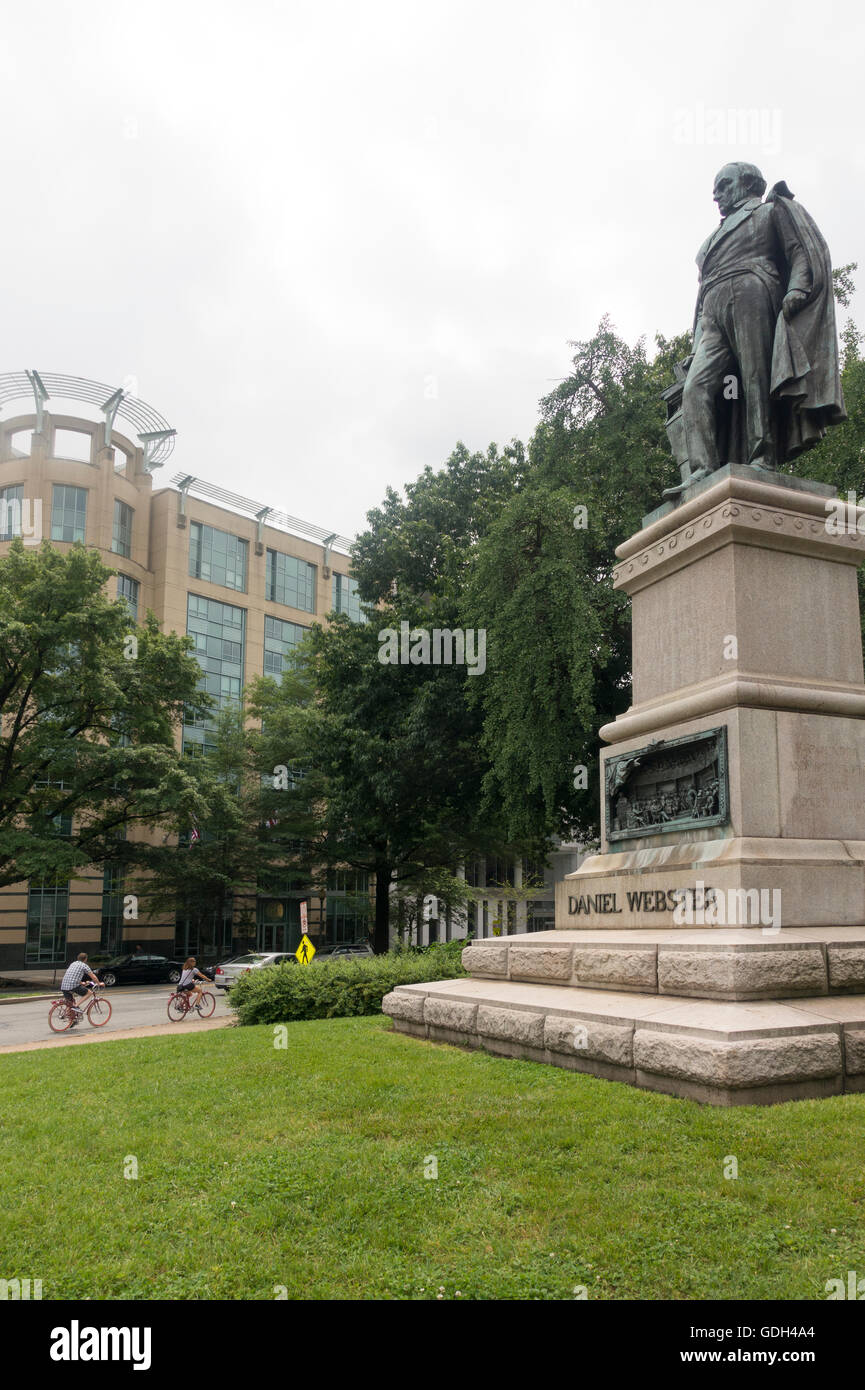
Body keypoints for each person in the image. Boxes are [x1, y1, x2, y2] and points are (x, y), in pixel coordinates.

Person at [60, 953, 101, 1026]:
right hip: (72, 985)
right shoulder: (84, 965)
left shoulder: (73, 963)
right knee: (89, 993)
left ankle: (71, 1020)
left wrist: (81, 983)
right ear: (85, 959)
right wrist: (99, 983)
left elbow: (72, 976)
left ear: (78, 958)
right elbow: (93, 977)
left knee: (70, 1003)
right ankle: (76, 1005)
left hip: (64, 985)